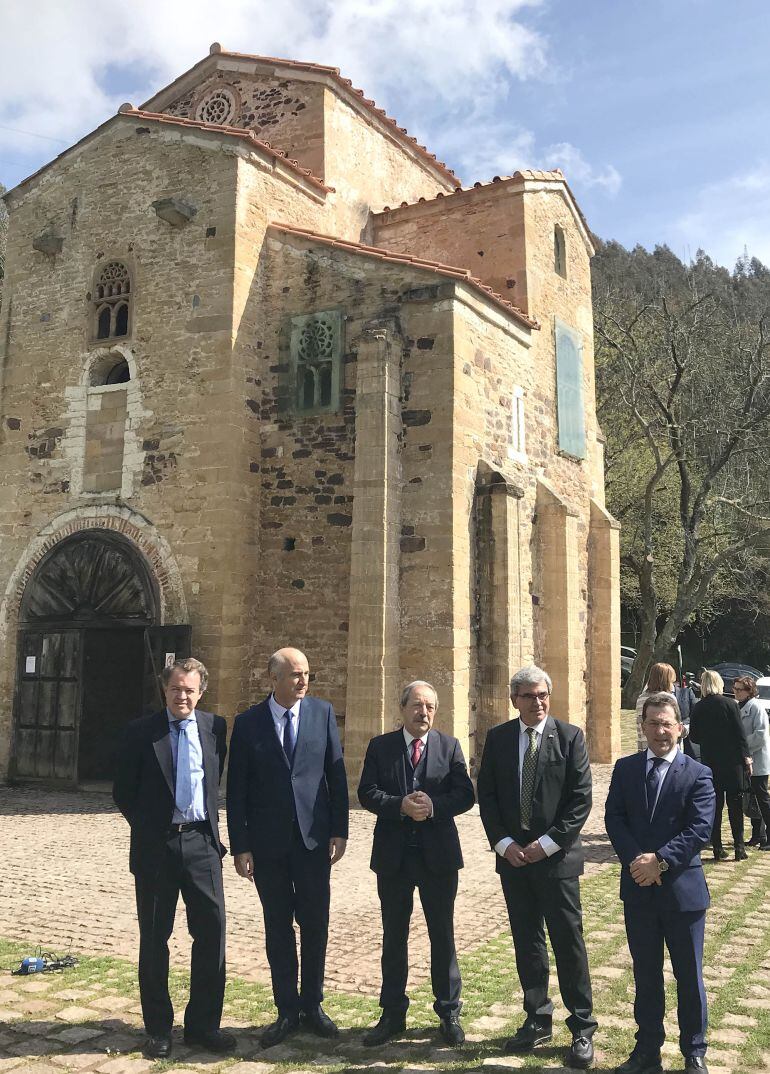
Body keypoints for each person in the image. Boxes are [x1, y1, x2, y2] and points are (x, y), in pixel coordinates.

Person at [113, 657, 235, 1059]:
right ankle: (159, 1030)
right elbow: (123, 792)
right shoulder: (139, 732)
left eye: (190, 689)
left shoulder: (215, 728)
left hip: (202, 844)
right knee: (154, 939)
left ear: (201, 692)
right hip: (157, 848)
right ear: (164, 691)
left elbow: (213, 781)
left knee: (212, 932)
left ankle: (202, 1026)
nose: (182, 695)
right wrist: (152, 828)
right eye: (175, 688)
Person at [226, 647, 349, 1048]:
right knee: (278, 927)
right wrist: (240, 845)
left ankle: (312, 1005)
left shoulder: (322, 713)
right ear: (273, 678)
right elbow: (237, 789)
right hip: (268, 846)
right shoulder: (247, 724)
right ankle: (286, 1009)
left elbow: (335, 773)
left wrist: (340, 830)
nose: (303, 681)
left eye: (307, 674)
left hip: (313, 842)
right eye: (295, 674)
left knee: (315, 925)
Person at [477, 664, 597, 1069]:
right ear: (515, 700)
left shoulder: (569, 737)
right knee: (527, 943)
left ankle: (582, 1026)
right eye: (528, 695)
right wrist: (504, 844)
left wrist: (545, 846)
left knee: (568, 943)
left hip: (556, 861)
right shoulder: (498, 739)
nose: (538, 701)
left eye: (543, 694)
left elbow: (580, 799)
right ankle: (537, 1017)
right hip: (514, 861)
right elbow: (488, 796)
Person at [357, 681, 475, 1048]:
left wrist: (434, 806)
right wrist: (400, 806)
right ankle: (392, 1013)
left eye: (430, 707)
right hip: (394, 857)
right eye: (417, 706)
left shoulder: (449, 746)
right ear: (402, 708)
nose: (423, 713)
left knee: (443, 935)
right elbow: (367, 793)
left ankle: (449, 1012)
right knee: (394, 937)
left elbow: (465, 795)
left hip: (437, 858)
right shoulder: (381, 746)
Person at [605, 693, 715, 1074]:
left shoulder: (698, 773)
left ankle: (694, 1052)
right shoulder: (625, 769)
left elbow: (700, 827)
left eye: (667, 723)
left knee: (689, 977)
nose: (660, 730)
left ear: (680, 728)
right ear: (643, 727)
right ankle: (647, 1050)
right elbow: (614, 820)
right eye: (653, 723)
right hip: (639, 890)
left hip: (682, 894)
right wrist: (639, 861)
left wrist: (661, 861)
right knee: (646, 976)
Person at [688, 670, 752, 860]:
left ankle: (717, 847)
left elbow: (694, 737)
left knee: (714, 807)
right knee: (735, 805)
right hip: (732, 762)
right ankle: (739, 848)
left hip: (710, 762)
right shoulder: (730, 704)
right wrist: (746, 757)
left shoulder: (699, 707)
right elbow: (740, 735)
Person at [732, 676, 770, 850]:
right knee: (751, 798)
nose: (736, 692)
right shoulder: (738, 705)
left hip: (757, 760)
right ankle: (757, 835)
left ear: (749, 691)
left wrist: (742, 746)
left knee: (762, 799)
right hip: (745, 760)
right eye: (735, 688)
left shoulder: (756, 707)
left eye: (740, 689)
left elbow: (761, 735)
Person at [634, 663, 696, 755]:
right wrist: (689, 727)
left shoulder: (641, 698)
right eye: (671, 681)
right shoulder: (668, 698)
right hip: (666, 750)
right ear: (667, 680)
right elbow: (674, 727)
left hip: (645, 750)